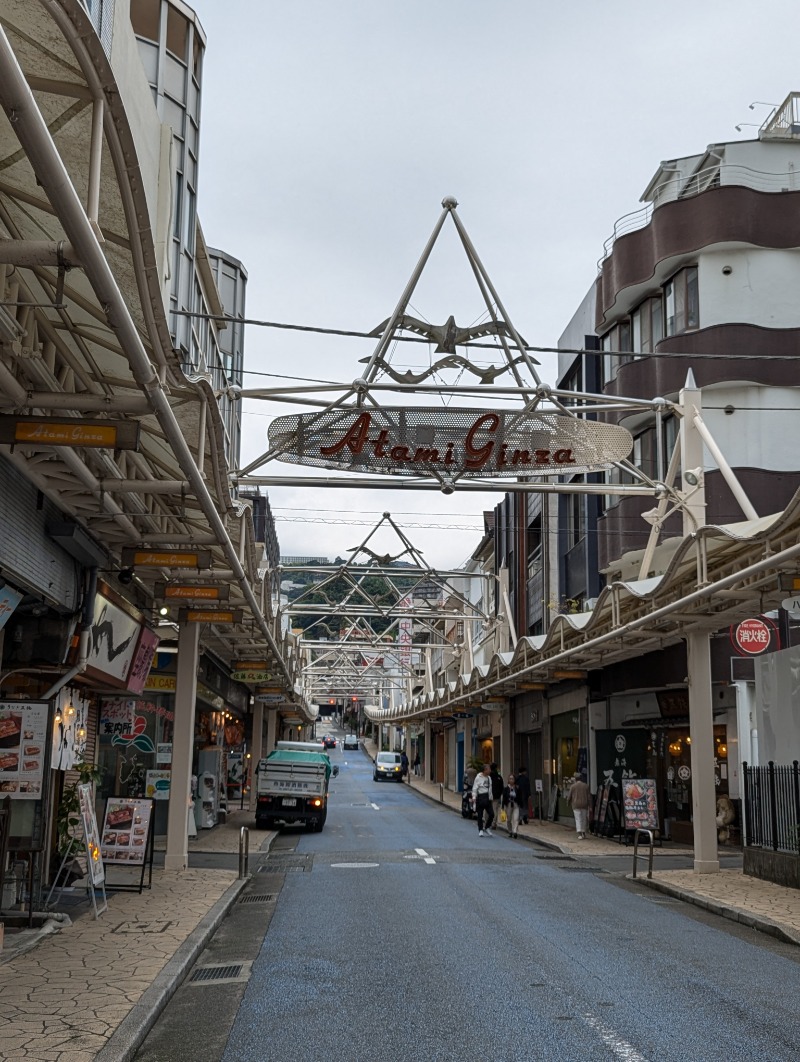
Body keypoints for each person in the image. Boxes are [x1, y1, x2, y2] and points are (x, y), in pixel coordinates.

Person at [471, 763, 494, 836]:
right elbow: (475, 788)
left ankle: (487, 827)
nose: (490, 770)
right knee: (480, 815)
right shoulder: (478, 777)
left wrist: (491, 797)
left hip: (487, 798)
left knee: (492, 814)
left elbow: (490, 788)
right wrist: (474, 797)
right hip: (480, 797)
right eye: (489, 769)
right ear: (484, 770)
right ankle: (480, 829)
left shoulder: (489, 778)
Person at [567, 773, 591, 839]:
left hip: (576, 804)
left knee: (578, 819)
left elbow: (569, 796)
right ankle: (584, 832)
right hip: (584, 804)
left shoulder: (573, 786)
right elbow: (589, 797)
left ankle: (580, 833)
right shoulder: (586, 786)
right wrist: (590, 805)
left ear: (575, 779)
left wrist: (568, 803)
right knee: (584, 818)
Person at [501, 774, 521, 838]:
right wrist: (502, 807)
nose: (511, 780)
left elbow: (520, 796)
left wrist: (520, 803)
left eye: (512, 779)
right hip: (508, 805)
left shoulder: (517, 788)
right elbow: (504, 798)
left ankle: (515, 831)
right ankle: (510, 831)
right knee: (509, 819)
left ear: (515, 780)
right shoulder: (506, 788)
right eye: (510, 779)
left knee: (516, 818)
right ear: (508, 780)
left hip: (515, 804)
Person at [490, 763, 504, 828]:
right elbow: (502, 787)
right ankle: (494, 823)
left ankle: (487, 822)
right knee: (495, 809)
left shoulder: (488, 776)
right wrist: (500, 794)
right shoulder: (499, 777)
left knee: (487, 809)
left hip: (489, 795)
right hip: (496, 796)